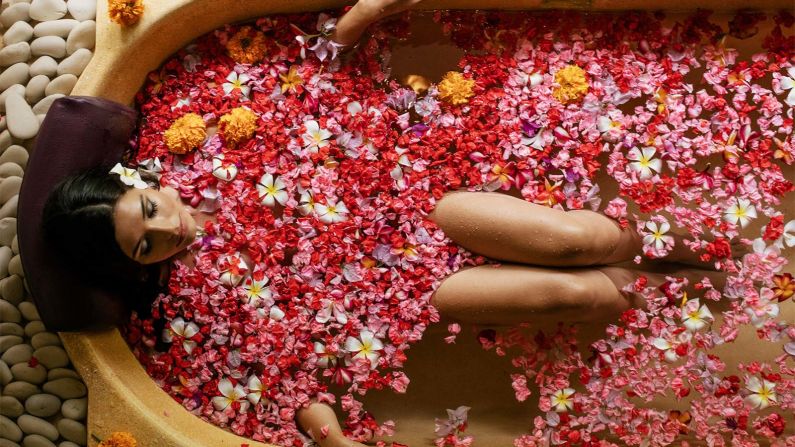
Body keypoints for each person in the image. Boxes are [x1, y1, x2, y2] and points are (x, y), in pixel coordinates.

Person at [40, 2, 727, 446]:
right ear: (131, 262)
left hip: (415, 203)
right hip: (398, 304)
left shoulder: (207, 134)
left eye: (152, 211)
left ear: (141, 182)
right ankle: (675, 306)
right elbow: (278, 381)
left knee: (580, 239)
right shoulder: (184, 308)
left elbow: (301, 80)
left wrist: (358, 19)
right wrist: (331, 436)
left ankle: (702, 254)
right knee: (572, 296)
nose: (170, 232)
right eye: (146, 244)